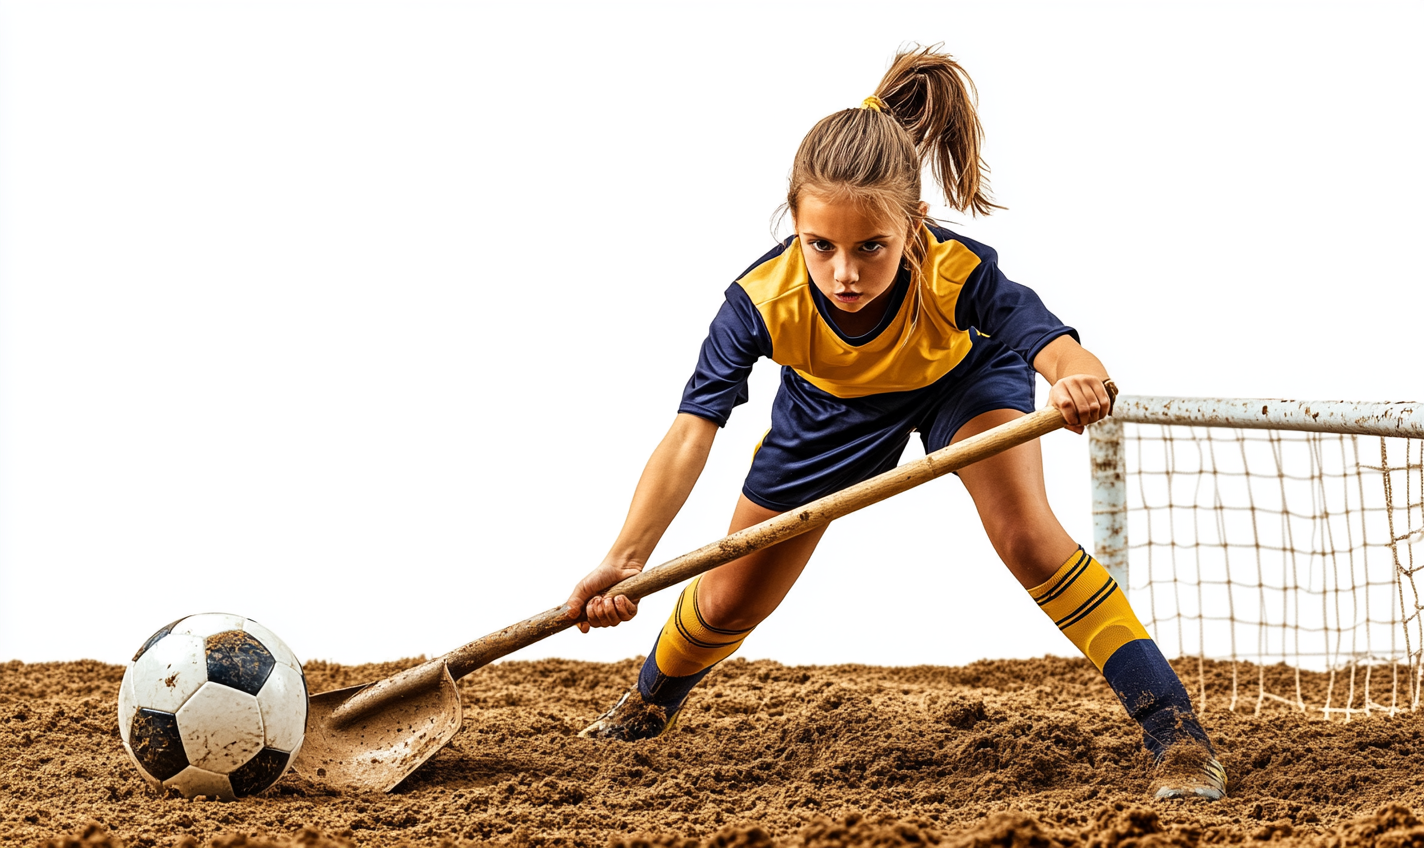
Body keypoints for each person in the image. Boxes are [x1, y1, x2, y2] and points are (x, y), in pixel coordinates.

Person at [563, 46, 1227, 801]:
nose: (844, 273)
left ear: (913, 226)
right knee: (726, 599)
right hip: (829, 409)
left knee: (1027, 537)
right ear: (795, 226)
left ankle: (1178, 736)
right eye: (822, 247)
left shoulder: (956, 271)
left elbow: (1056, 344)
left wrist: (1074, 377)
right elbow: (691, 431)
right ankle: (648, 704)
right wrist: (627, 557)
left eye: (870, 248)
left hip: (961, 383)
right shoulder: (759, 299)